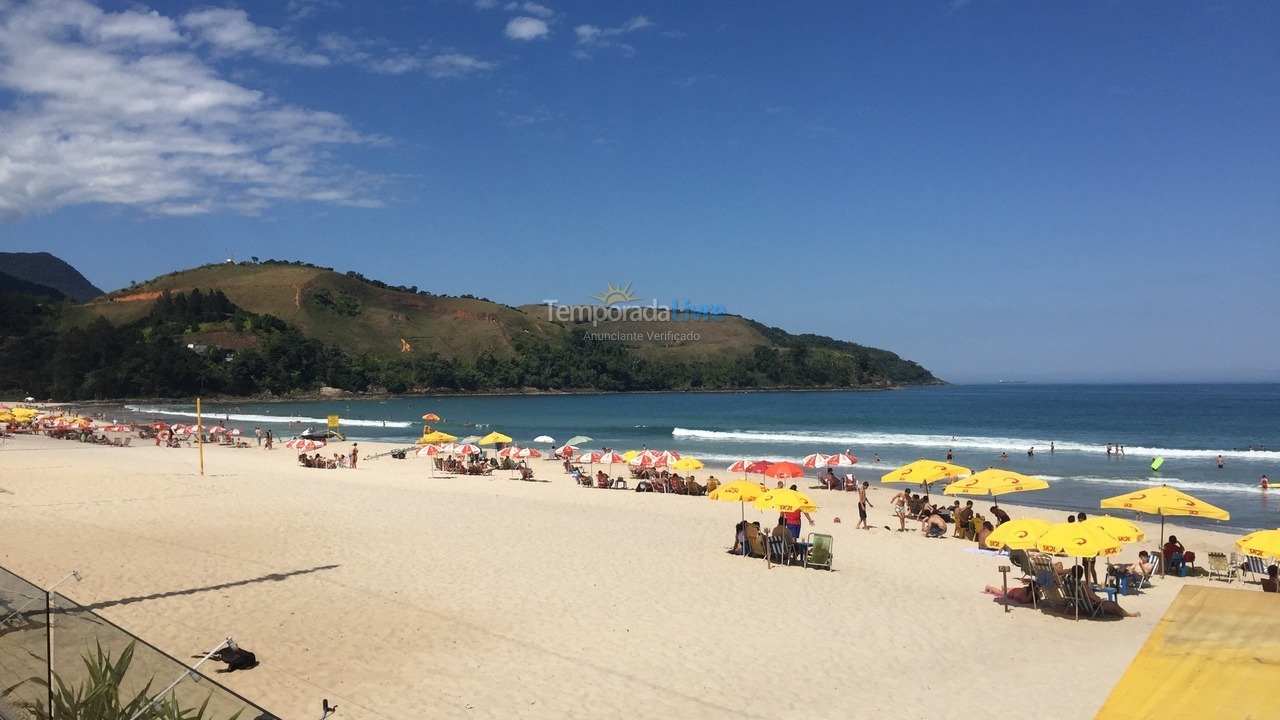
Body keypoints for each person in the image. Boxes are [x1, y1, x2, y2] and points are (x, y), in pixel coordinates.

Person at [1064, 566, 1141, 618]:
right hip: (1092, 607)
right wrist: (1100, 599)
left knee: (1111, 607)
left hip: (1078, 605)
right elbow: (1096, 598)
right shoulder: (1083, 585)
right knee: (1114, 604)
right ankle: (1129, 614)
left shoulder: (1068, 583)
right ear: (1081, 574)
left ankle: (1120, 613)